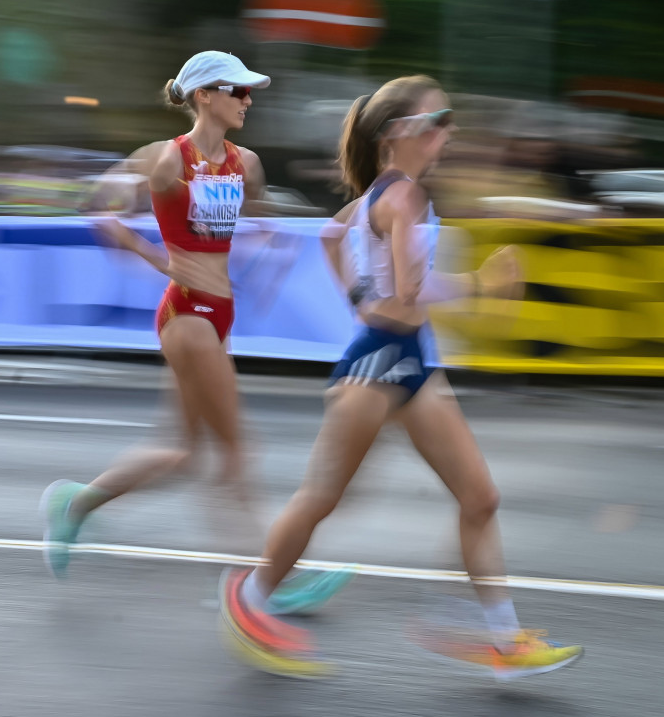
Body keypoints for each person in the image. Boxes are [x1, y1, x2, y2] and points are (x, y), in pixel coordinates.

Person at [218, 75, 584, 679]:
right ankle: (249, 600)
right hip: (379, 363)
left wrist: (364, 295)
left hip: (410, 361)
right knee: (321, 499)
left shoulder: (378, 199)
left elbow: (335, 237)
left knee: (480, 497)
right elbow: (412, 292)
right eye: (439, 120)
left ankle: (505, 639)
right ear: (400, 133)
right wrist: (479, 287)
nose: (449, 131)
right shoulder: (403, 198)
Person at [40, 51, 354, 615]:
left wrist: (271, 242)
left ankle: (76, 506)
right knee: (236, 452)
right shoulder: (164, 161)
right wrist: (153, 254)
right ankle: (265, 582)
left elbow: (253, 217)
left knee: (185, 452)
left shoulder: (246, 162)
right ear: (204, 95)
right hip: (187, 314)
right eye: (238, 90)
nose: (248, 100)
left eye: (250, 91)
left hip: (220, 312)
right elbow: (99, 209)